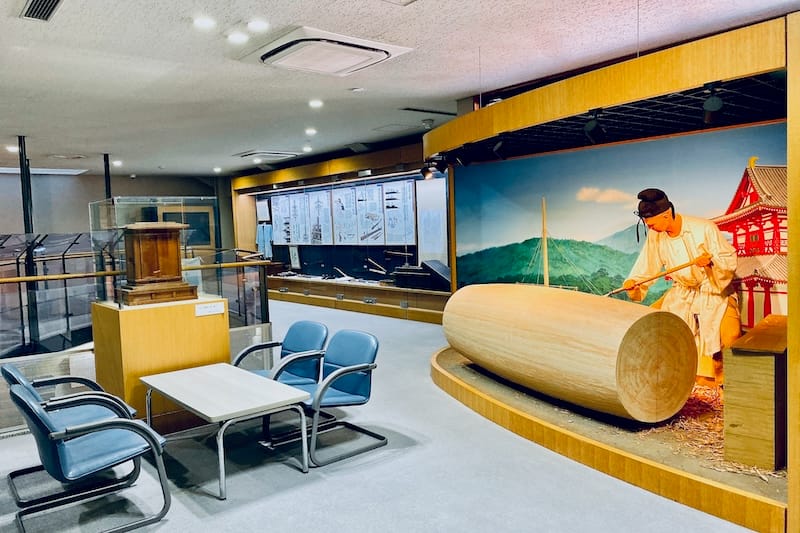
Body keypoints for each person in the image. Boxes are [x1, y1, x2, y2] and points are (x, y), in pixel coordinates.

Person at [622, 188, 740, 386]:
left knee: (730, 336)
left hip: (713, 289)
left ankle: (724, 384)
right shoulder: (656, 235)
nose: (650, 228)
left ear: (666, 214)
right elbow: (647, 265)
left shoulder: (704, 228)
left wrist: (711, 263)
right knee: (652, 326)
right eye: (647, 224)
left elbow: (728, 260)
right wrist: (634, 282)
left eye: (652, 224)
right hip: (682, 291)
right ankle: (678, 379)